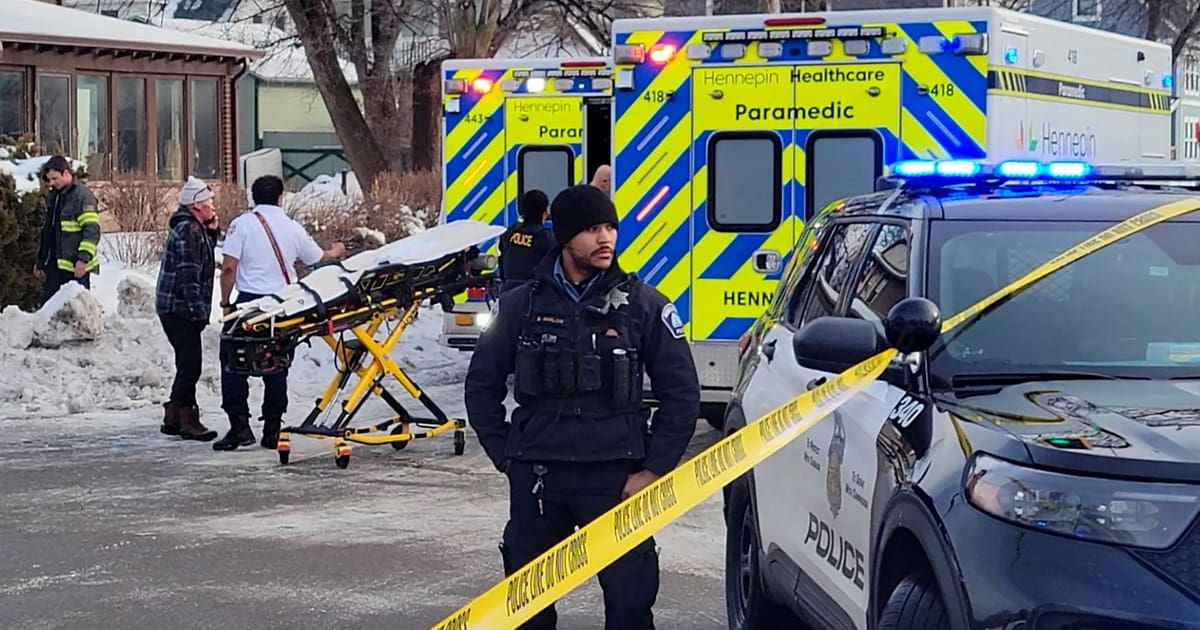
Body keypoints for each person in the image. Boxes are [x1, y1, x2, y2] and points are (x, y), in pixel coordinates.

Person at [464, 184, 700, 630]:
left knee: (630, 609)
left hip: (616, 479)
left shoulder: (643, 305)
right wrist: (506, 454)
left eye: (610, 227)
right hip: (540, 478)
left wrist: (653, 470)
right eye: (592, 229)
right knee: (527, 611)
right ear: (566, 237)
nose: (605, 238)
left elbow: (683, 394)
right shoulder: (520, 306)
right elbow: (482, 385)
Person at [213, 175, 345, 452]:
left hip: (249, 306)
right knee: (277, 364)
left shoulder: (241, 225)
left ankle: (240, 427)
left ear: (253, 197)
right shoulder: (292, 227)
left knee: (233, 363)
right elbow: (318, 257)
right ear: (280, 197)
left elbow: (228, 268)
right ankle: (273, 428)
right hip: (283, 305)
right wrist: (337, 250)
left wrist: (226, 302)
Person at [155, 177, 222, 442]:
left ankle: (176, 417)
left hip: (176, 306)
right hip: (178, 307)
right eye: (209, 202)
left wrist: (212, 232)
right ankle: (185, 418)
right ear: (196, 206)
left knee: (187, 363)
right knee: (191, 365)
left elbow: (202, 256)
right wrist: (197, 309)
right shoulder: (188, 230)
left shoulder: (195, 228)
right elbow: (188, 272)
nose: (213, 206)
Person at [34, 155, 101, 306]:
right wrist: (41, 261)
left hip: (76, 268)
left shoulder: (82, 197)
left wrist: (82, 260)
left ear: (66, 173)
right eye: (49, 179)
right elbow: (49, 231)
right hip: (56, 266)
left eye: (55, 178)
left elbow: (91, 231)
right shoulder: (55, 196)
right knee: (48, 310)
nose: (52, 183)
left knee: (77, 312)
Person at [496, 189, 556, 295]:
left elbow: (502, 258)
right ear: (544, 213)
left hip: (507, 292)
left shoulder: (510, 232)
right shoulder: (546, 237)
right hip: (533, 294)